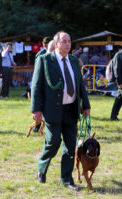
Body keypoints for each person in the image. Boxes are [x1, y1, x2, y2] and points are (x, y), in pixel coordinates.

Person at [31, 31, 90, 191]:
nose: (67, 44)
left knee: (71, 146)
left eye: (69, 41)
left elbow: (80, 84)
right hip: (52, 109)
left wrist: (86, 104)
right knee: (54, 142)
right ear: (56, 43)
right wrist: (36, 109)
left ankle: (67, 179)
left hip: (71, 109)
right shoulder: (45, 60)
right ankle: (42, 166)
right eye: (64, 41)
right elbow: (36, 86)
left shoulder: (72, 60)